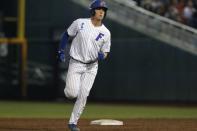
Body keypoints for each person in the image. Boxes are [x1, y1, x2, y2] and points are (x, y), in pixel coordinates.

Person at [57, 0, 111, 131]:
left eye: (103, 10)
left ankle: (73, 123)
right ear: (92, 10)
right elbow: (66, 34)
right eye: (99, 9)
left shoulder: (106, 32)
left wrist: (102, 56)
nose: (101, 12)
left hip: (92, 67)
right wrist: (61, 50)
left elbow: (106, 52)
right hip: (76, 63)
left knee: (84, 94)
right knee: (71, 93)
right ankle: (69, 91)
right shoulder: (80, 22)